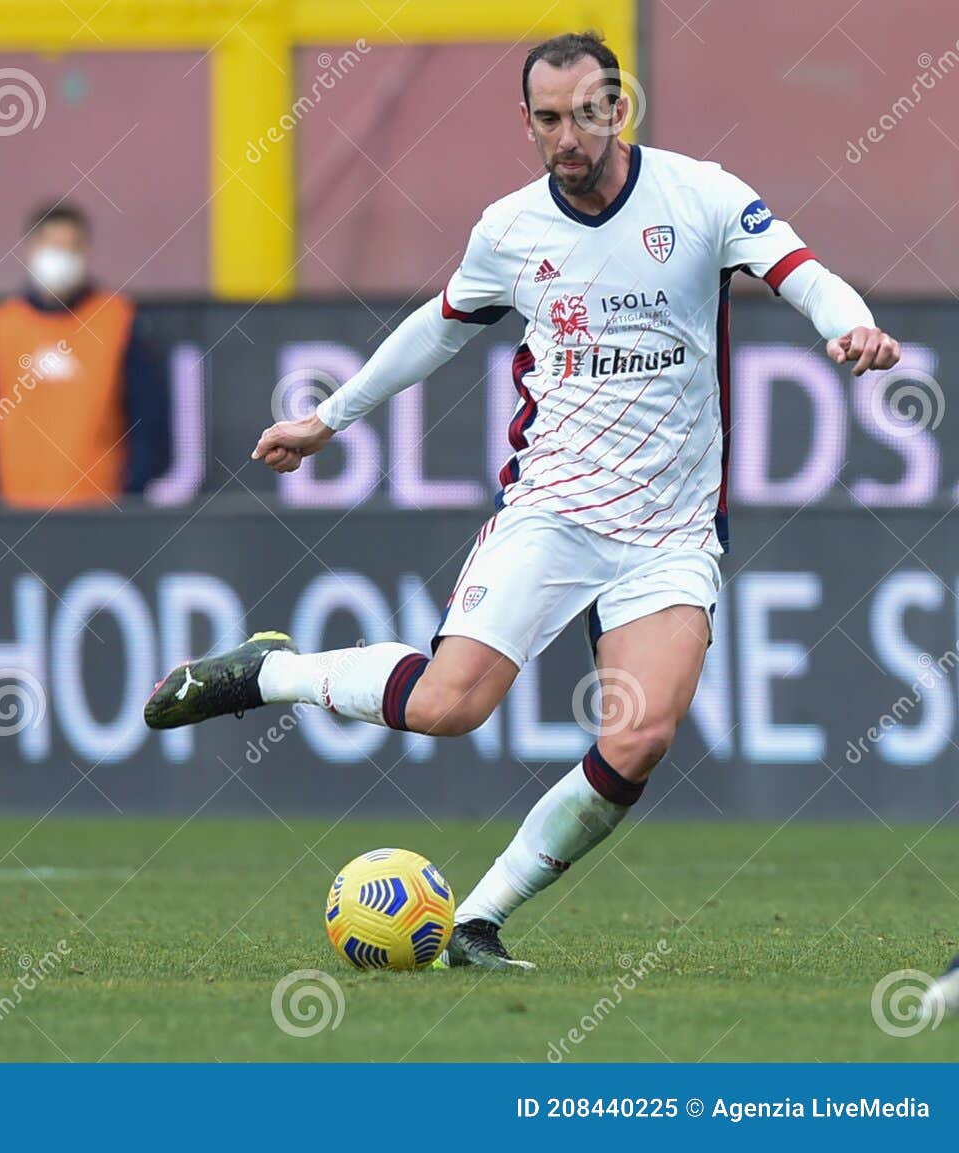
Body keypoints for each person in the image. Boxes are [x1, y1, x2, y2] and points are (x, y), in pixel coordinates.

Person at [143, 31, 901, 969]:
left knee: (642, 736)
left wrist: (852, 326)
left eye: (586, 114)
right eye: (548, 120)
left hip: (670, 530)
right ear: (530, 122)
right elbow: (439, 328)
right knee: (448, 705)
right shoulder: (511, 230)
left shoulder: (699, 195)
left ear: (618, 109)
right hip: (551, 508)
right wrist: (327, 420)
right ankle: (271, 674)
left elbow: (800, 271)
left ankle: (477, 920)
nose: (567, 137)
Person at [0, 202, 170, 508]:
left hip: (98, 514)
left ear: (86, 252)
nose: (60, 256)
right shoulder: (0, 325)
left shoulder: (118, 319)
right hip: (15, 515)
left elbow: (149, 422)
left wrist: (129, 499)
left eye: (71, 247)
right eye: (51, 245)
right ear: (30, 250)